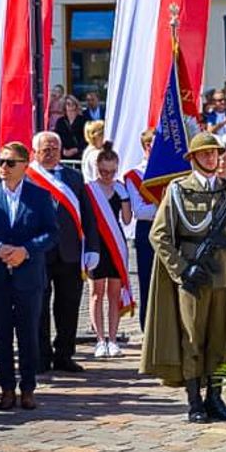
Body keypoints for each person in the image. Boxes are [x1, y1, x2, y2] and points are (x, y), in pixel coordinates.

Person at [141, 132, 226, 423]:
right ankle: (195, 401)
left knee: (219, 339)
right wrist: (182, 269)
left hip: (223, 277)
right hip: (192, 278)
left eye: (215, 153)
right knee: (192, 338)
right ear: (193, 158)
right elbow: (159, 234)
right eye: (205, 153)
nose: (212, 158)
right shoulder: (179, 190)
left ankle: (215, 398)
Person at [0, 142, 58, 410]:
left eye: (10, 163)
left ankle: (28, 387)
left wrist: (26, 250)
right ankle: (6, 387)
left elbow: (51, 232)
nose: (3, 168)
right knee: (1, 334)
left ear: (25, 164)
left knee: (28, 333)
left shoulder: (40, 196)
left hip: (28, 277)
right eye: (0, 162)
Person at [28, 131, 99, 373]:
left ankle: (64, 355)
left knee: (68, 306)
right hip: (38, 252)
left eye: (54, 149)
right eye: (45, 149)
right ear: (35, 152)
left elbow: (88, 214)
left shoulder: (74, 177)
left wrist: (92, 248)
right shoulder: (28, 177)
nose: (50, 154)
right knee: (39, 306)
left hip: (69, 252)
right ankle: (40, 355)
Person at [88, 143, 131, 358]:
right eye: (104, 171)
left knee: (114, 293)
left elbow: (126, 219)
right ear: (97, 167)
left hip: (116, 242)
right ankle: (99, 340)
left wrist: (124, 197)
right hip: (96, 245)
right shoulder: (89, 189)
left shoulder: (120, 187)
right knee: (97, 293)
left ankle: (113, 340)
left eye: (112, 171)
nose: (107, 175)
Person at [124, 129, 157, 329]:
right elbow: (139, 211)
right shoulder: (134, 175)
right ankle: (147, 325)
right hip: (147, 230)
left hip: (170, 230)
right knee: (147, 279)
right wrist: (165, 207)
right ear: (147, 146)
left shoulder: (170, 171)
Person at [54, 95, 88, 160]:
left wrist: (76, 149)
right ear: (64, 106)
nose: (71, 106)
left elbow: (86, 138)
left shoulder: (83, 120)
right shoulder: (60, 121)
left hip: (79, 155)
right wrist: (63, 150)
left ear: (76, 105)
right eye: (68, 104)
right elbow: (57, 137)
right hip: (64, 156)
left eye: (73, 104)